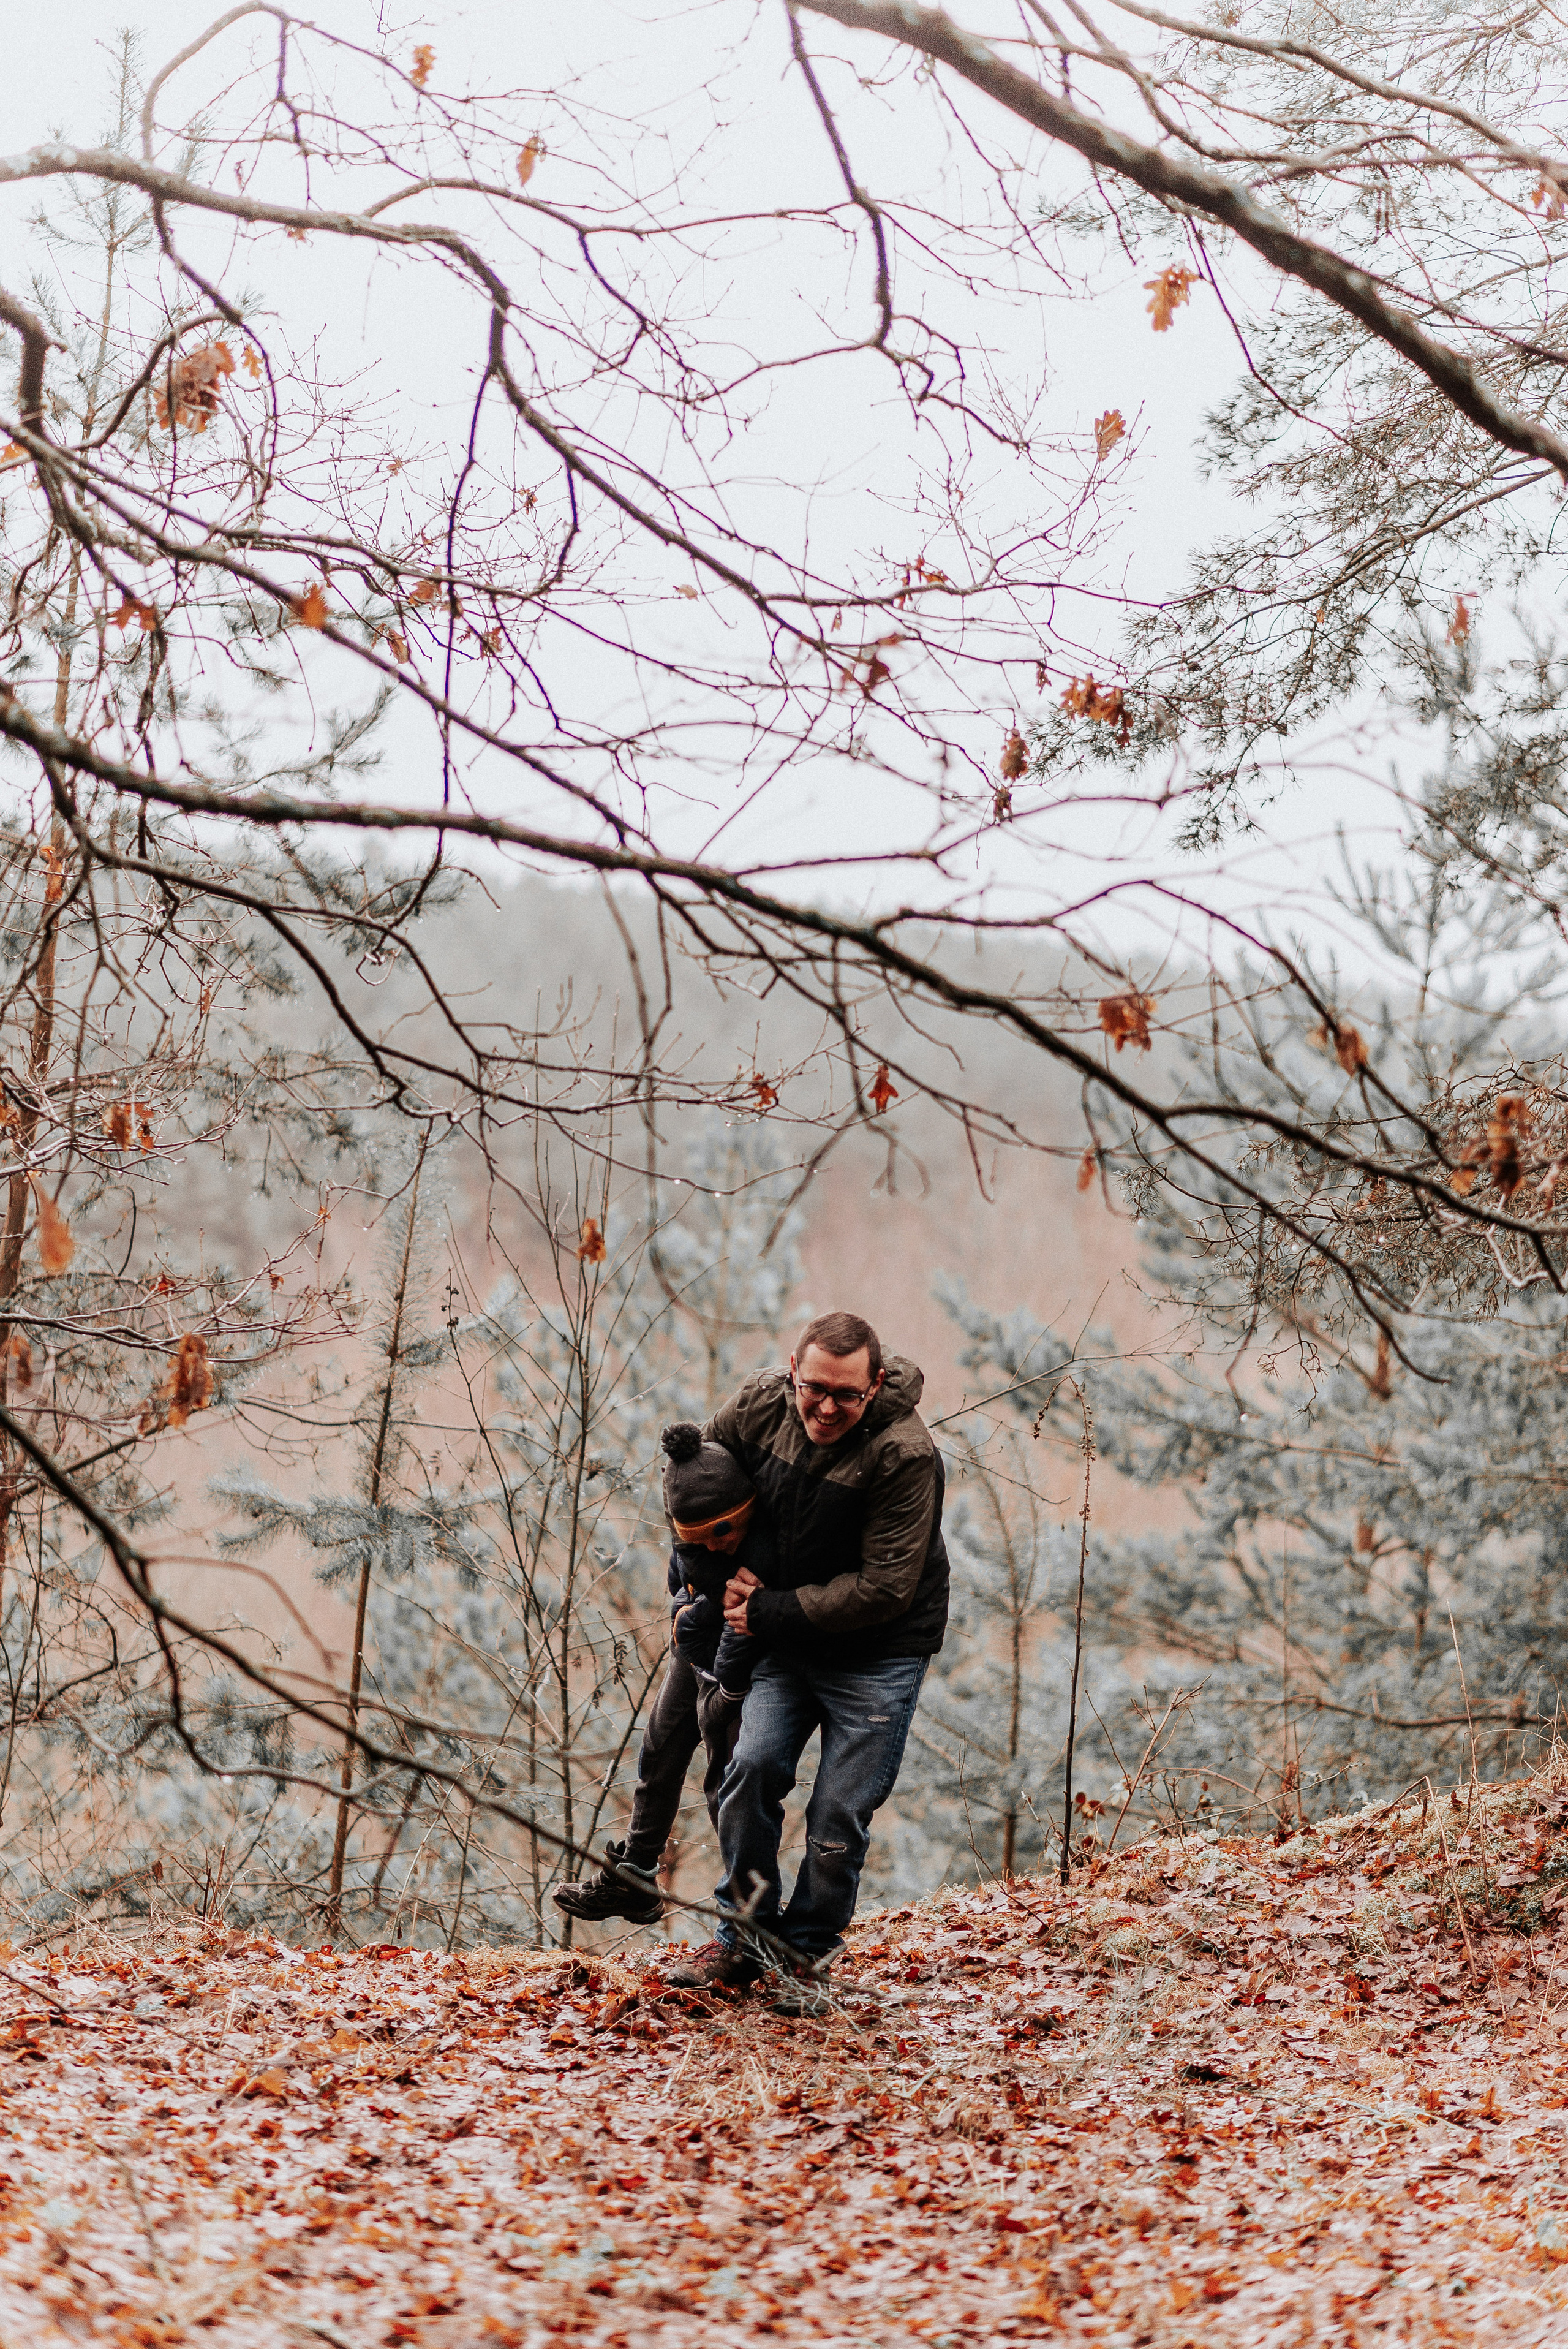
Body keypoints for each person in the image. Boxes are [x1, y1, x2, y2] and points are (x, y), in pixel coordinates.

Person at [666, 1311, 948, 2010]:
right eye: (814, 1387)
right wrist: (696, 1587)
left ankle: (804, 1954)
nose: (826, 1406)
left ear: (875, 1385)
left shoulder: (904, 1455)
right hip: (784, 1647)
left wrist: (763, 1610)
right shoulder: (760, 1407)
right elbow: (699, 1485)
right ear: (793, 1369)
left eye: (846, 1395)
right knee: (750, 1771)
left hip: (877, 1655)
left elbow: (886, 1587)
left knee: (836, 1818)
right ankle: (745, 1939)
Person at [552, 1422, 774, 1924]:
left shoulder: (766, 1546)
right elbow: (686, 1581)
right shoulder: (693, 1543)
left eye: (724, 1533)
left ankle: (753, 1915)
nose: (714, 1548)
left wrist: (707, 1631)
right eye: (694, 1538)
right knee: (659, 1753)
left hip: (736, 1668)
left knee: (727, 1788)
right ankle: (636, 1875)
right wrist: (686, 1614)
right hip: (693, 1656)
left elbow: (747, 1611)